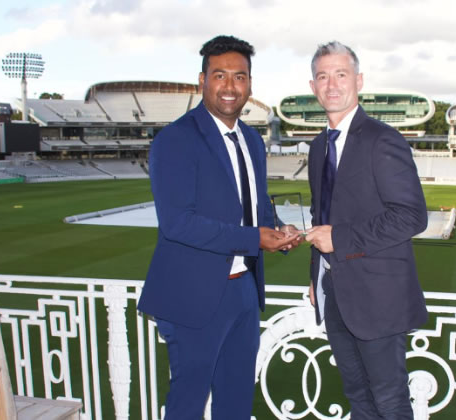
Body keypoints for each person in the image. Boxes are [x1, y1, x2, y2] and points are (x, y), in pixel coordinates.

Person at [137, 35, 299, 419]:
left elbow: (253, 206)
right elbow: (177, 223)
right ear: (202, 81)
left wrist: (277, 227)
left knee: (236, 400)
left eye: (239, 77)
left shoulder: (252, 141)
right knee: (189, 404)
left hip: (243, 289)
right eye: (220, 75)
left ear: (250, 85)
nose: (230, 86)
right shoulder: (176, 139)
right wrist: (255, 238)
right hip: (194, 295)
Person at [304, 41, 429, 419]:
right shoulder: (317, 147)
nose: (332, 85)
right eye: (323, 76)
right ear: (313, 87)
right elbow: (322, 214)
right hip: (335, 293)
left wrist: (338, 240)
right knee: (358, 398)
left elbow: (411, 216)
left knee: (389, 402)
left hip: (377, 298)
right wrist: (316, 272)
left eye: (341, 74)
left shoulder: (382, 139)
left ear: (358, 81)